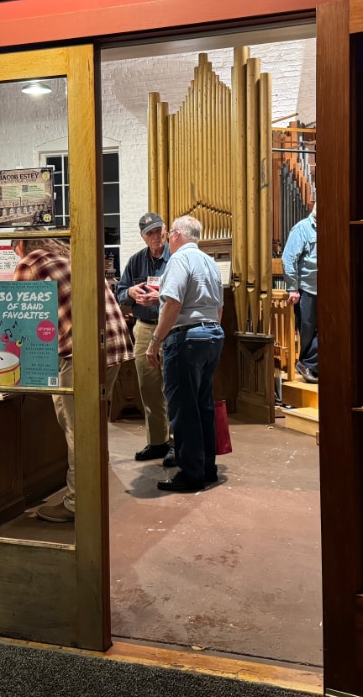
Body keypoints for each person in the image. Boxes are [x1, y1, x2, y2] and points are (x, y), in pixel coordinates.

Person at [12, 237, 133, 523]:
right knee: (93, 426)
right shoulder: (74, 256)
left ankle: (77, 503)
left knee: (76, 430)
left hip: (81, 353)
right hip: (111, 346)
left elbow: (18, 319)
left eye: (13, 249)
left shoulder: (30, 262)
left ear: (21, 245)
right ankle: (95, 493)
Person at [145, 215, 224, 492]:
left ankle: (191, 475)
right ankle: (207, 468)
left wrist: (155, 341)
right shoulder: (210, 262)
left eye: (169, 234)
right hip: (212, 334)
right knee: (202, 405)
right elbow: (219, 309)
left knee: (183, 409)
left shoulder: (179, 260)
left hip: (187, 338)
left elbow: (173, 304)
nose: (167, 239)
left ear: (177, 234)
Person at [115, 212, 173, 462]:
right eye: (149, 232)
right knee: (148, 388)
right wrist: (131, 291)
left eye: (158, 230)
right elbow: (119, 294)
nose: (155, 236)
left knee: (173, 388)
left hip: (170, 328)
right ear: (142, 236)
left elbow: (182, 296)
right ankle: (157, 442)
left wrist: (158, 298)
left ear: (166, 231)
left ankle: (177, 444)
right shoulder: (136, 261)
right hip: (143, 328)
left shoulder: (176, 258)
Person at [282, 202, 318, 383]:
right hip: (307, 289)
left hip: (327, 288)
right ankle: (306, 364)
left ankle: (310, 364)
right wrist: (292, 288)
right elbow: (289, 259)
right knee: (307, 330)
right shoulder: (302, 228)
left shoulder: (329, 226)